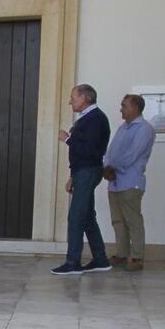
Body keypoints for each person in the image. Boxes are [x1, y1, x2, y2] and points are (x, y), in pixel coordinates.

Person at [51, 84, 112, 275]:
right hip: (83, 172)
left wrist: (67, 139)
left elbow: (90, 150)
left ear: (84, 98)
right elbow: (82, 152)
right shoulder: (89, 118)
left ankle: (73, 263)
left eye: (73, 97)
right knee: (87, 217)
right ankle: (100, 259)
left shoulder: (96, 119)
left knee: (76, 217)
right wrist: (73, 176)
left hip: (88, 171)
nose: (70, 101)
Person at [103, 94, 156, 271]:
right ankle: (121, 253)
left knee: (133, 221)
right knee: (118, 220)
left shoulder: (144, 129)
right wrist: (106, 167)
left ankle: (137, 257)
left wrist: (113, 167)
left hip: (130, 182)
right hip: (115, 182)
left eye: (124, 106)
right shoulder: (122, 128)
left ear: (136, 108)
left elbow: (132, 154)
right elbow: (111, 152)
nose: (121, 109)